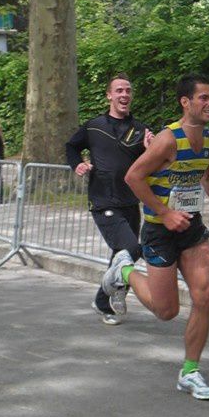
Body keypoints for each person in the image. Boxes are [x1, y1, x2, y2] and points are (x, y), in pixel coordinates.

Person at [102, 74, 209, 401]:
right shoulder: (167, 140)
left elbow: (208, 176)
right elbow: (133, 177)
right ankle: (123, 271)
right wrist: (164, 212)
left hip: (191, 228)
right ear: (185, 102)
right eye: (204, 98)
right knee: (167, 312)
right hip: (159, 231)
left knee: (205, 294)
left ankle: (190, 372)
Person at [65, 72, 153, 326]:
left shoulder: (140, 129)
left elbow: (151, 162)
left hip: (130, 201)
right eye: (119, 91)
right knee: (133, 249)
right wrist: (77, 165)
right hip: (103, 200)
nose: (124, 95)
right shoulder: (93, 126)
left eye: (127, 90)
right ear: (109, 95)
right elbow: (71, 146)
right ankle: (113, 294)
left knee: (120, 253)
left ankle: (104, 301)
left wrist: (150, 150)